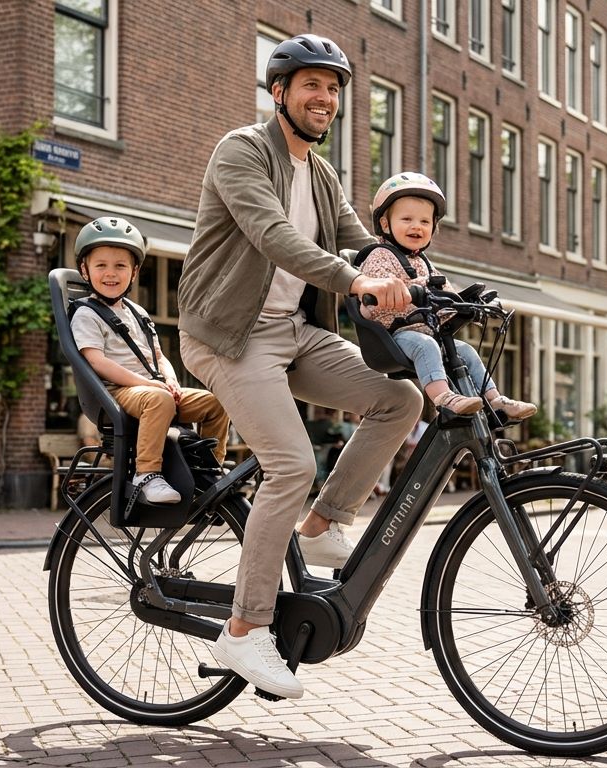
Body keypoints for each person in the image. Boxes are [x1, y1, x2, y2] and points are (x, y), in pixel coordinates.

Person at [176, 33, 423, 699]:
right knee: (291, 464)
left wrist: (419, 275)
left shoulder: (321, 172)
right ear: (279, 92)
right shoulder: (241, 151)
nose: (325, 97)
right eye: (311, 84)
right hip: (228, 335)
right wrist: (359, 282)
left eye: (334, 87)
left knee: (401, 401)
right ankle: (246, 630)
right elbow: (274, 237)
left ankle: (320, 526)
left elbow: (360, 238)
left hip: (293, 332)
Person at [71, 215, 231, 503]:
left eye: (120, 266)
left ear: (134, 272)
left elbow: (158, 356)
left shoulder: (138, 313)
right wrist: (150, 386)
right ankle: (146, 474)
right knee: (159, 400)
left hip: (152, 391)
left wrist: (168, 380)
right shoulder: (86, 314)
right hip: (116, 393)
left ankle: (209, 468)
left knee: (217, 401)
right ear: (85, 270)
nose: (111, 273)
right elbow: (98, 362)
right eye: (101, 265)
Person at [359, 172, 538, 420]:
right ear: (386, 224)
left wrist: (470, 305)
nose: (416, 226)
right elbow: (374, 291)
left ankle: (496, 400)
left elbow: (445, 292)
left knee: (467, 352)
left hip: (428, 333)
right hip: (397, 335)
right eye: (407, 219)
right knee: (427, 346)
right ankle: (444, 398)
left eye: (424, 221)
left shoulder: (424, 262)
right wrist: (407, 290)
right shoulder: (379, 255)